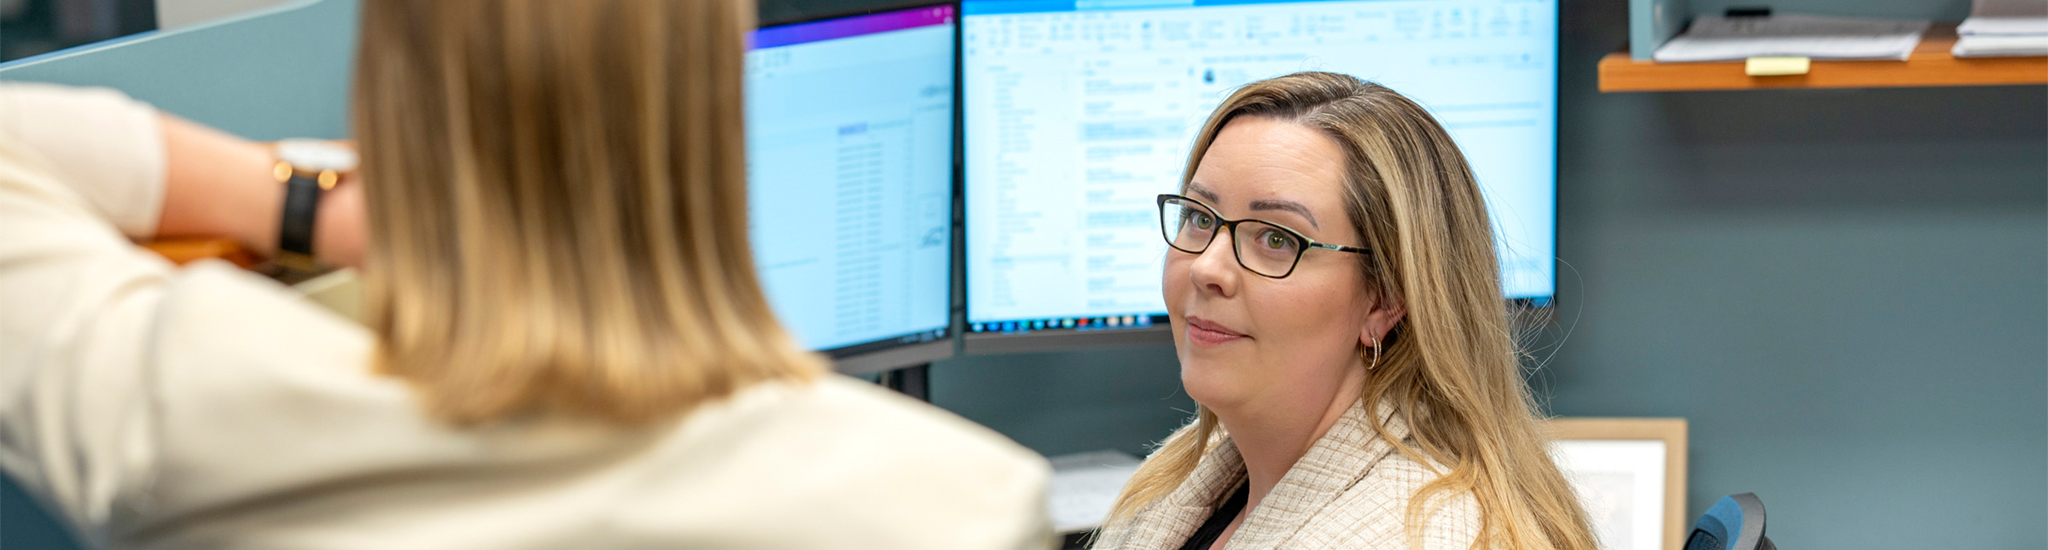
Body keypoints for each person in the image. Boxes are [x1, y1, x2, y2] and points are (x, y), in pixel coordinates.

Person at [0, 1, 1049, 548]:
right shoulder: (953, 504)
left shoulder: (195, 412)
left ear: (390, 93)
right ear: (716, 110)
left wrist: (321, 207)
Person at [1090, 72, 1595, 550]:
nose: (1207, 268)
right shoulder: (1190, 476)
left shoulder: (1423, 535)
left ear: (1384, 300)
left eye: (1276, 239)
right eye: (1200, 218)